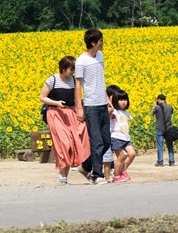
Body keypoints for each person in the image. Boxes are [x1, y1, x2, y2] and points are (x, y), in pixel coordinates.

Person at [41, 56, 90, 184]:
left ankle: (65, 175)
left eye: (74, 69)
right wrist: (56, 103)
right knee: (64, 143)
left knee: (74, 142)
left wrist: (80, 111)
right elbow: (43, 97)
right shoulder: (52, 80)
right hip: (55, 113)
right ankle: (62, 173)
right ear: (63, 67)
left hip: (71, 113)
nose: (72, 72)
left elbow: (76, 98)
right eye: (70, 69)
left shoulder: (74, 80)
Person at [75, 29, 111, 184]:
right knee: (97, 141)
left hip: (102, 104)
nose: (103, 43)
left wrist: (107, 100)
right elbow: (78, 85)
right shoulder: (81, 61)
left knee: (106, 141)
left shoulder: (100, 56)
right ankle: (97, 174)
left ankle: (86, 166)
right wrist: (79, 108)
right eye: (101, 41)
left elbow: (100, 79)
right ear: (93, 43)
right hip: (91, 105)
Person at [110, 89, 136, 183]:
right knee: (120, 157)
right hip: (116, 137)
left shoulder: (126, 113)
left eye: (125, 100)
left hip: (125, 138)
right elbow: (110, 112)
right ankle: (116, 176)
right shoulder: (115, 112)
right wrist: (110, 102)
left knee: (132, 154)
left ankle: (122, 171)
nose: (123, 102)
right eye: (120, 100)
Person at [151, 94, 175, 167]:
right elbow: (171, 113)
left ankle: (160, 162)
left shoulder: (157, 107)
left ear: (158, 99)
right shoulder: (170, 106)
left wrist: (155, 105)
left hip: (160, 128)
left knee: (160, 146)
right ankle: (171, 161)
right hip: (168, 128)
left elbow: (152, 114)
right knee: (170, 145)